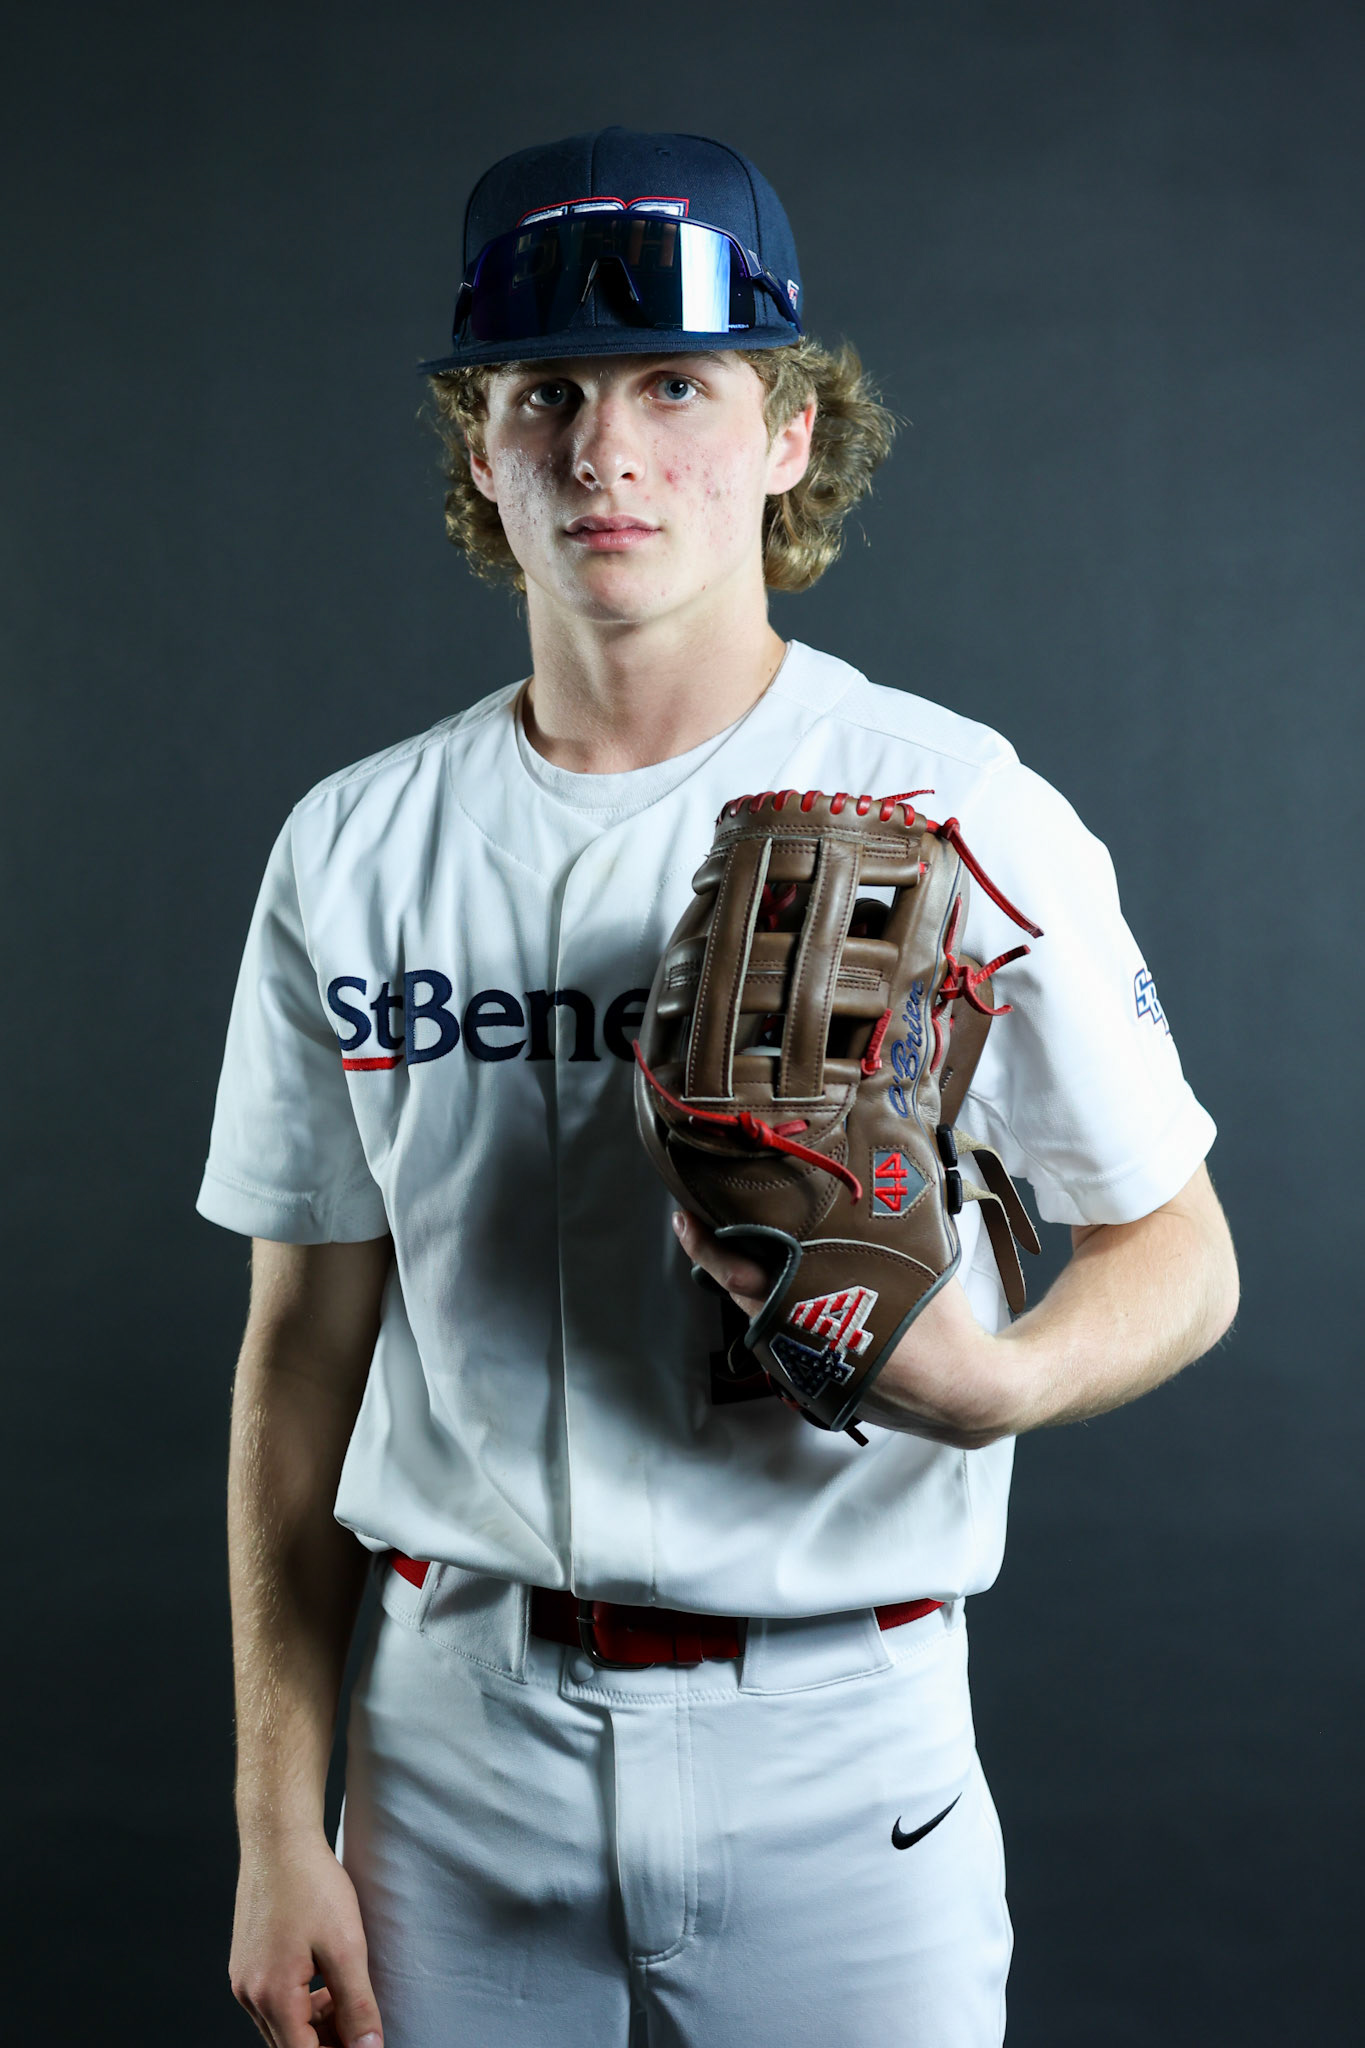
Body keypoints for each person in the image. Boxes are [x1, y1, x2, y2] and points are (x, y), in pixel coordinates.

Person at [203, 126, 1239, 2048]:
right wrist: (281, 1818)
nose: (606, 453)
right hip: (450, 1742)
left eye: (677, 385)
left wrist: (996, 1382)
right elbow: (304, 1345)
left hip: (842, 1753)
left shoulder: (955, 804)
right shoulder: (351, 847)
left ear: (787, 436)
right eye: (547, 395)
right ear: (480, 447)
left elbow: (1178, 1246)